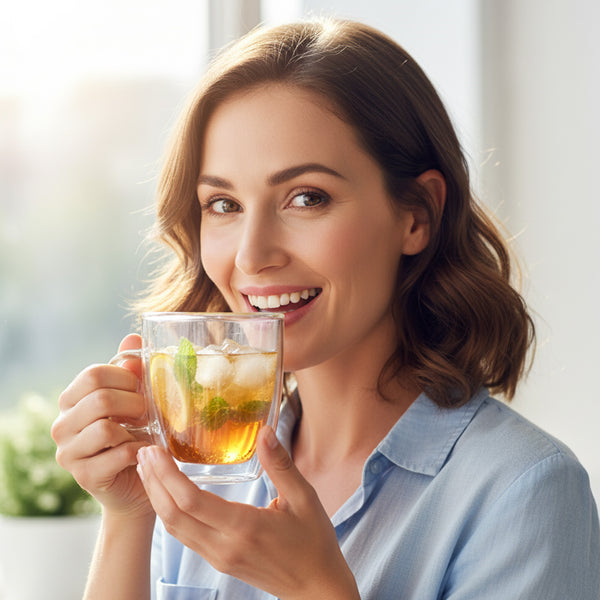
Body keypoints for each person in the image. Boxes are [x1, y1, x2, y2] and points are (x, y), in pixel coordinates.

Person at [51, 17, 600, 600]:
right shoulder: (206, 469)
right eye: (224, 203)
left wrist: (317, 588)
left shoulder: (524, 491)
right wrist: (128, 515)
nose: (252, 255)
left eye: (306, 197)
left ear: (416, 214)